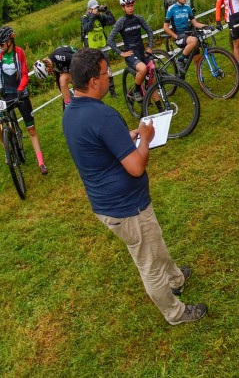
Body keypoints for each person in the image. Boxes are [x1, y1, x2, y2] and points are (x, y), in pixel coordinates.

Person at [62, 48, 207, 325]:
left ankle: (176, 278)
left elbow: (97, 148)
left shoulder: (71, 112)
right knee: (148, 264)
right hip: (127, 208)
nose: (110, 78)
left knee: (154, 240)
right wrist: (144, 138)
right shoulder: (103, 116)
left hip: (108, 205)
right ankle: (175, 313)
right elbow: (136, 166)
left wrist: (124, 138)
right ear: (93, 81)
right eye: (106, 73)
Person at [0, 26, 48, 175]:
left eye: (2, 44)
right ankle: (8, 149)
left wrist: (20, 89)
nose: (0, 47)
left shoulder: (19, 53)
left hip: (20, 93)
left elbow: (24, 74)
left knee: (31, 129)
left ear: (10, 41)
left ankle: (41, 163)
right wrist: (0, 87)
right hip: (6, 94)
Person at [107, 0, 154, 102]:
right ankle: (136, 90)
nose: (130, 8)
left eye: (132, 5)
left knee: (152, 74)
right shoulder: (121, 22)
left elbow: (150, 32)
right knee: (143, 69)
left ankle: (158, 105)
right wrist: (120, 53)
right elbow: (109, 40)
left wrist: (150, 47)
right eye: (128, 6)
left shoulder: (138, 18)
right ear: (123, 8)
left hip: (142, 51)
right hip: (131, 54)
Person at [164, 0, 210, 75]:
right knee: (194, 41)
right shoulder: (171, 9)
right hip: (179, 35)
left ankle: (201, 81)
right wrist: (176, 36)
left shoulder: (187, 8)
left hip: (188, 34)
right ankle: (180, 60)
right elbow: (165, 27)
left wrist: (206, 26)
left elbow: (195, 23)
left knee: (197, 59)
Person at [81, 0, 117, 98]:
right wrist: (92, 16)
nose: (96, 10)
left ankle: (112, 90)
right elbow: (88, 28)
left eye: (97, 8)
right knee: (94, 70)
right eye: (95, 8)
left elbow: (112, 21)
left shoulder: (100, 17)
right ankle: (96, 91)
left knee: (107, 68)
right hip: (91, 49)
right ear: (89, 9)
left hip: (103, 46)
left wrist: (106, 11)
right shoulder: (84, 18)